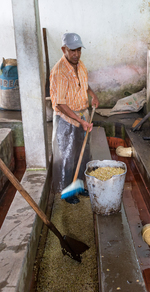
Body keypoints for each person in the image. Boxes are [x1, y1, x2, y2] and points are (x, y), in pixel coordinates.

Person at [50, 33, 99, 204]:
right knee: (67, 156)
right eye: (72, 51)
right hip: (67, 120)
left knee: (82, 154)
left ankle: (78, 186)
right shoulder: (60, 72)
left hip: (81, 116)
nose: (76, 54)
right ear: (64, 50)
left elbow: (84, 84)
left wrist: (93, 95)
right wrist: (80, 121)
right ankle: (66, 192)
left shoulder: (80, 64)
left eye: (78, 50)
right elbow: (60, 104)